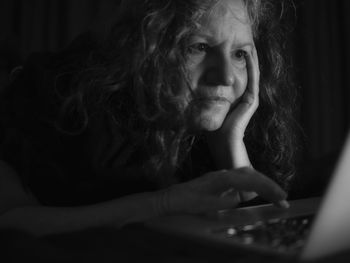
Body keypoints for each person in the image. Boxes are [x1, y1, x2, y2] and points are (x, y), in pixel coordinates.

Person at [0, 0, 297, 237]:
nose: (225, 77)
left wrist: (229, 144)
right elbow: (11, 223)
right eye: (199, 47)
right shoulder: (66, 101)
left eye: (240, 54)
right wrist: (163, 204)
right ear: (147, 46)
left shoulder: (223, 126)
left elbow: (259, 235)